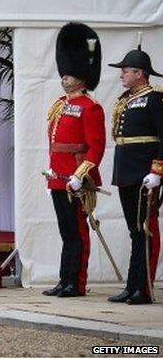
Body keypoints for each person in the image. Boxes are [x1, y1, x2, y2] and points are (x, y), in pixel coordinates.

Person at [42, 23, 105, 298]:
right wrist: (54, 175)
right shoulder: (60, 104)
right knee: (67, 233)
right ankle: (64, 279)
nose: (64, 78)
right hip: (59, 179)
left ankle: (76, 283)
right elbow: (54, 145)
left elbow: (96, 147)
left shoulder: (91, 108)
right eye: (64, 73)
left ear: (82, 78)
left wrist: (81, 175)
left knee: (79, 233)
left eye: (69, 75)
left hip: (77, 180)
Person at [106, 43, 163, 305]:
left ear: (139, 73)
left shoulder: (155, 97)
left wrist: (157, 170)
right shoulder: (126, 100)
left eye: (125, 71)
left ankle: (145, 288)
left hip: (144, 172)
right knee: (134, 231)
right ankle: (132, 285)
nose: (121, 76)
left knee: (144, 229)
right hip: (127, 170)